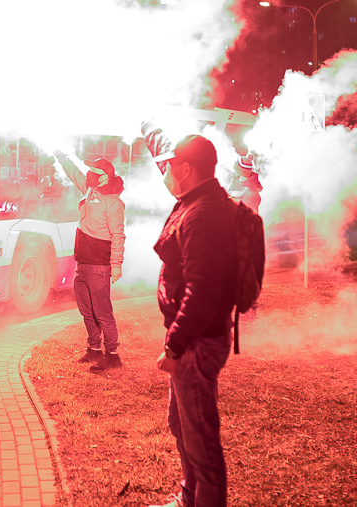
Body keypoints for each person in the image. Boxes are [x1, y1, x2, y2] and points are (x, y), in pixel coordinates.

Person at [149, 134, 237, 507]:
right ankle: (189, 498)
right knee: (181, 426)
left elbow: (202, 291)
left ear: (186, 169)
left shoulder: (204, 214)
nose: (165, 173)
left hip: (196, 343)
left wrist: (176, 344)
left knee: (201, 438)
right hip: (192, 339)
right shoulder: (198, 199)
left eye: (170, 166)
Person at [54, 152, 126, 371]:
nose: (88, 174)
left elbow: (118, 234)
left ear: (104, 177)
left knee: (102, 311)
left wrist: (116, 264)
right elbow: (73, 172)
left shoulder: (114, 203)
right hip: (83, 263)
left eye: (94, 172)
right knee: (87, 310)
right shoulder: (89, 190)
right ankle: (94, 349)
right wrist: (60, 156)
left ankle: (112, 355)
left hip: (99, 265)